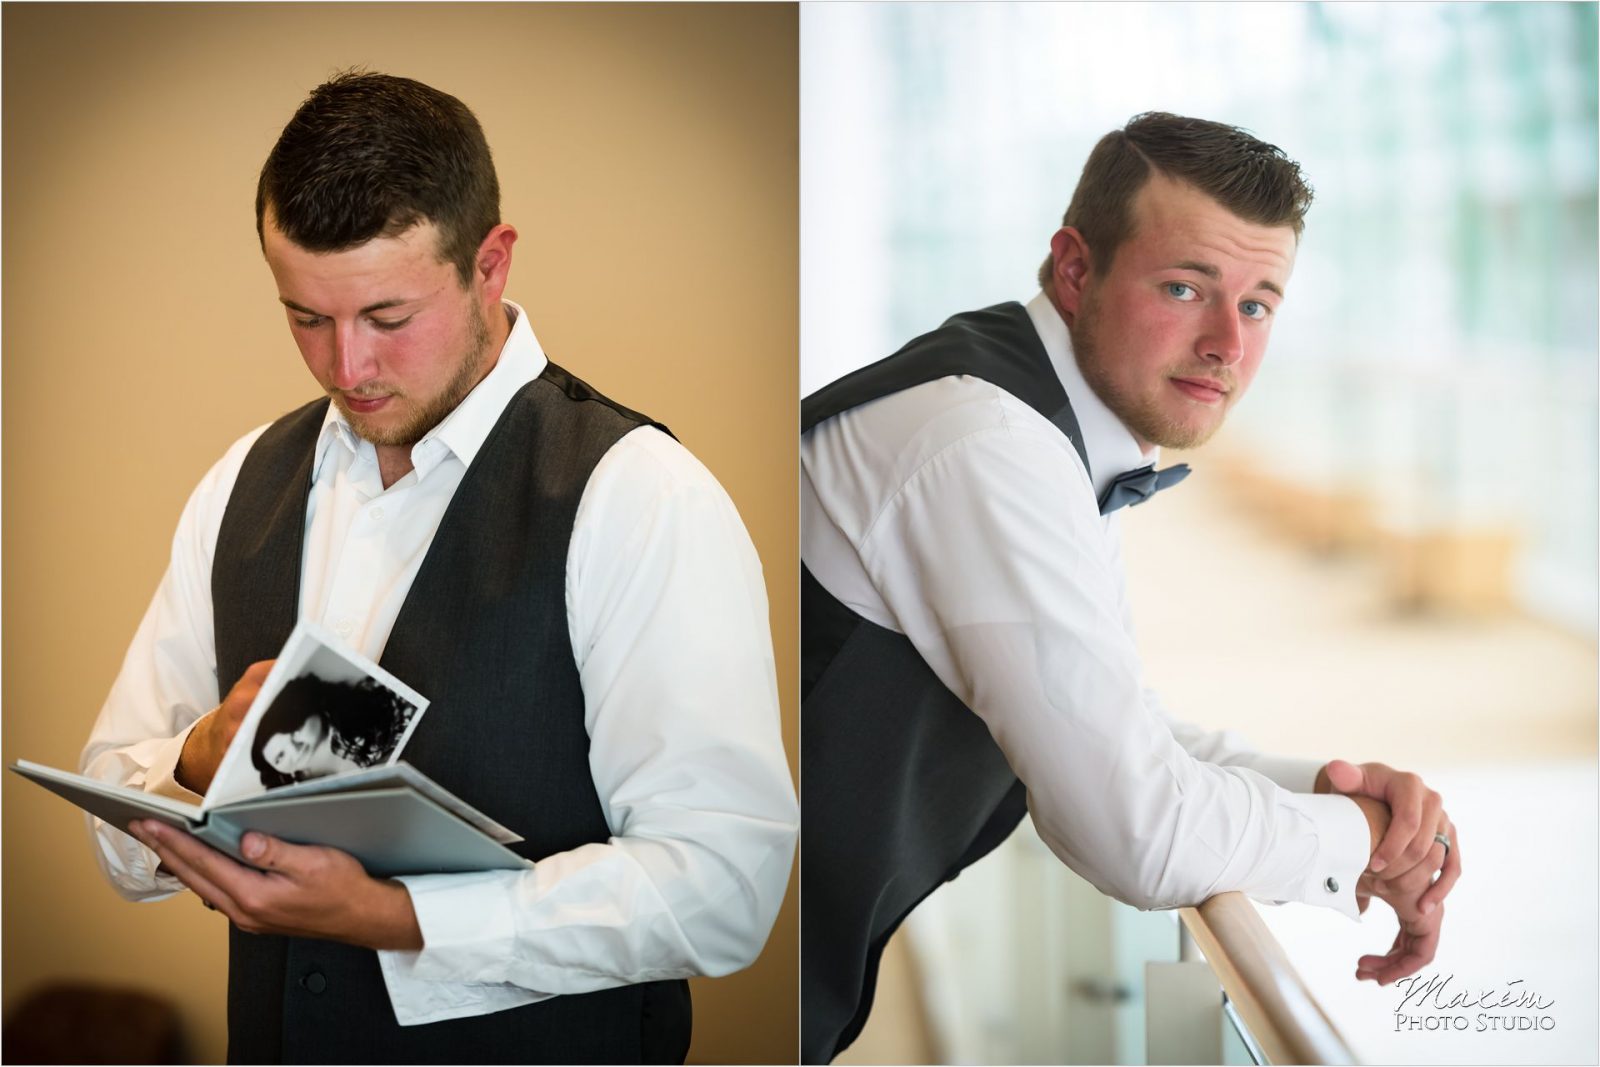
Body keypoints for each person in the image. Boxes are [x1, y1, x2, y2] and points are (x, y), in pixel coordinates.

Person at [79, 71, 797, 1064]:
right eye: (304, 316)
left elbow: (725, 886)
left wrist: (399, 916)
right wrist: (201, 752)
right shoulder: (239, 482)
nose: (346, 369)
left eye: (385, 316)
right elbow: (116, 826)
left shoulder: (638, 496)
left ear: (489, 264)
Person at [800, 112, 1460, 1063]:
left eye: (1259, 304)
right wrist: (1355, 836)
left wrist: (1329, 791)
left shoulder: (1031, 408)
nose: (1227, 343)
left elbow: (1111, 718)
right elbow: (1133, 830)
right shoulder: (989, 445)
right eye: (1185, 287)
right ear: (1075, 271)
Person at [249, 675, 414, 788]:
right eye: (280, 757)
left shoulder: (368, 705)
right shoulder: (296, 788)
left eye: (295, 730)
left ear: (310, 708)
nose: (295, 750)